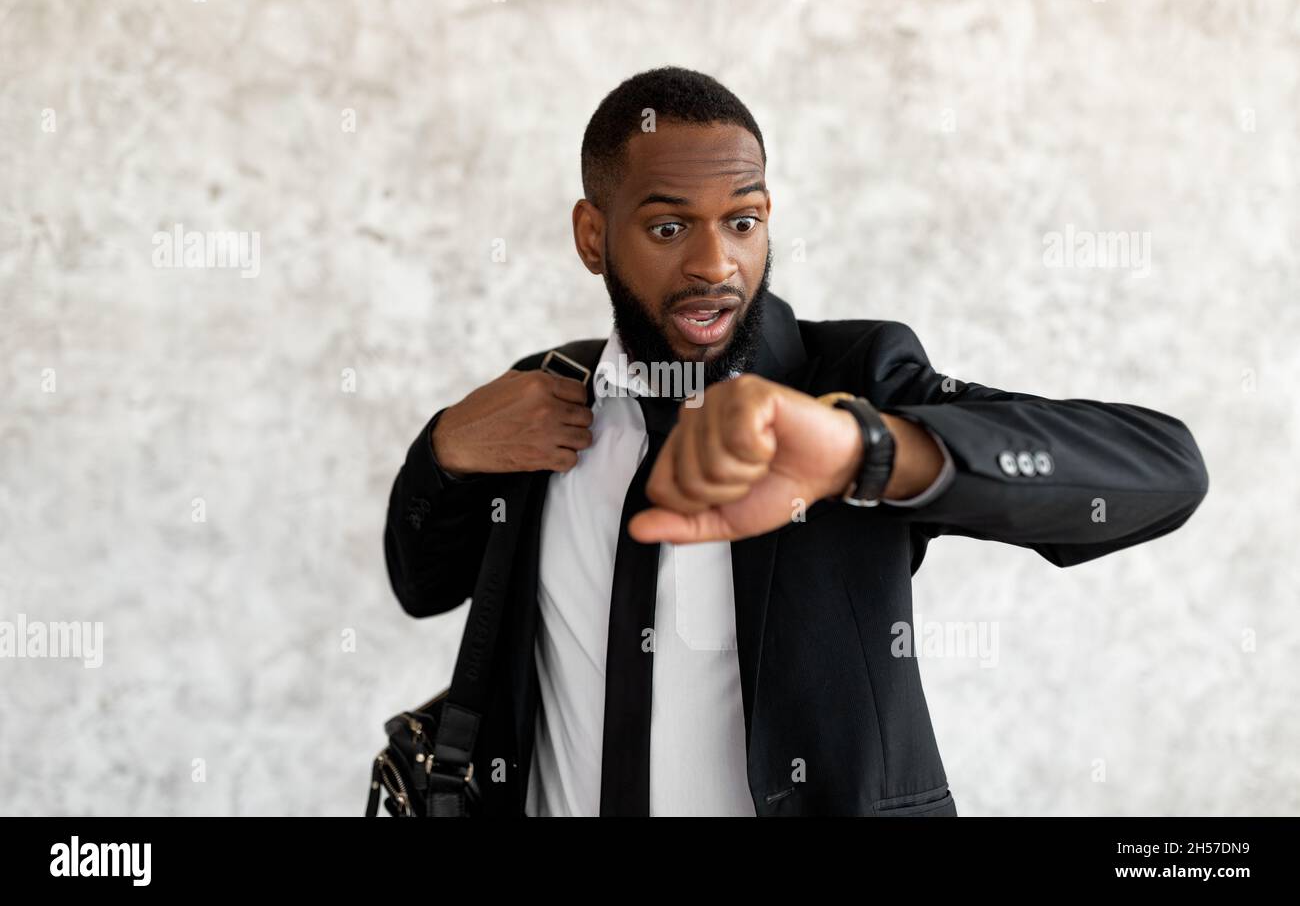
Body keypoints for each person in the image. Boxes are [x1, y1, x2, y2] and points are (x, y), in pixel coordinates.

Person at [383, 66, 1209, 816]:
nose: (717, 264)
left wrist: (867, 451)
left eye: (740, 221)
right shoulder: (542, 398)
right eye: (670, 229)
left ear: (766, 217)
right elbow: (423, 587)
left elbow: (1164, 471)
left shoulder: (850, 382)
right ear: (593, 236)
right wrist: (445, 448)